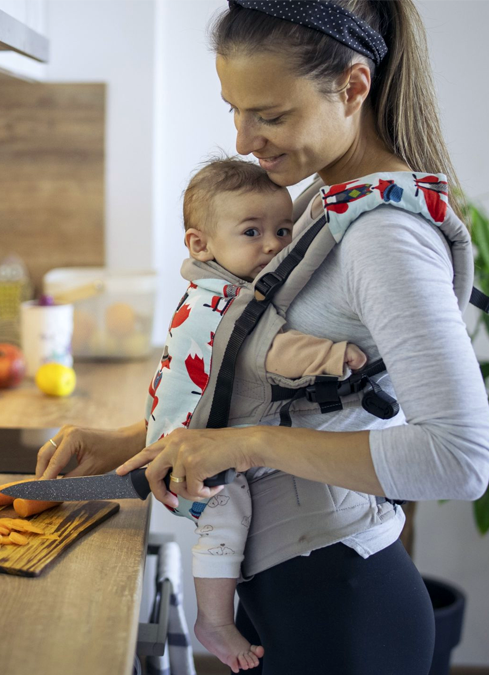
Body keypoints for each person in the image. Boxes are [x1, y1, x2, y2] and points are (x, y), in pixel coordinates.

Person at [35, 1, 489, 673]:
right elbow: (270, 397)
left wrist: (240, 444)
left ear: (354, 87)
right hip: (295, 593)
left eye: (271, 115)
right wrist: (132, 442)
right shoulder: (318, 204)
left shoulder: (384, 237)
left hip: (346, 613)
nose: (246, 139)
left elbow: (461, 458)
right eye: (235, 110)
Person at [150, 156, 369, 671]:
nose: (272, 244)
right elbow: (271, 351)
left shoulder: (215, 286)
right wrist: (336, 355)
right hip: (193, 446)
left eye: (282, 229)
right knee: (227, 516)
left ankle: (218, 615)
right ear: (200, 244)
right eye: (252, 231)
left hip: (187, 429)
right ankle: (214, 619)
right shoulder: (220, 303)